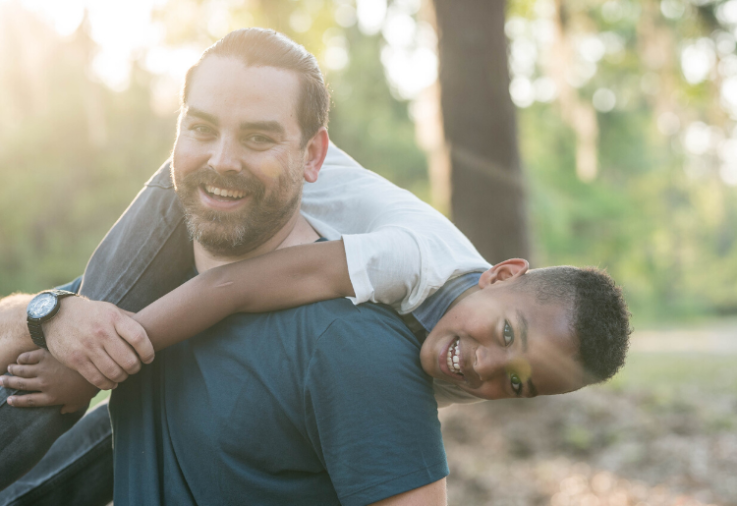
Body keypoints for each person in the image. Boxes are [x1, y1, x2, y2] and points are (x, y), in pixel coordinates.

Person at [0, 28, 631, 505]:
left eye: (518, 382)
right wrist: (89, 365)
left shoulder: (446, 359)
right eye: (507, 334)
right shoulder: (413, 259)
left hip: (257, 196)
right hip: (194, 193)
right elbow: (233, 285)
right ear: (501, 274)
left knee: (112, 369)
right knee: (65, 346)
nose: (487, 368)